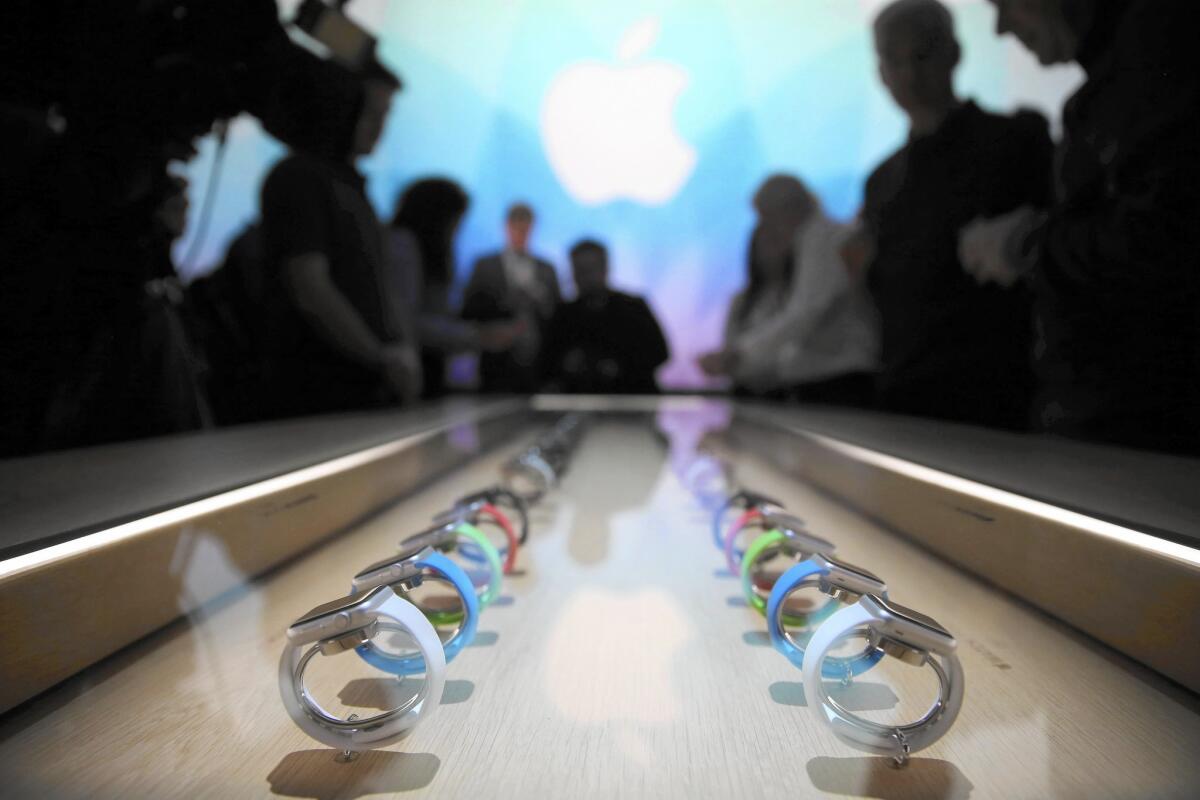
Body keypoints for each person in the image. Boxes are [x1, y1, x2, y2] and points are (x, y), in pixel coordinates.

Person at [961, 0, 1200, 454]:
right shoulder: (1129, 68)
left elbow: (1161, 239)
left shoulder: (1159, 50)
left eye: (1004, 5)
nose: (999, 28)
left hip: (1143, 440)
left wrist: (1025, 246)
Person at [861, 0, 1054, 429]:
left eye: (922, 55)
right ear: (881, 73)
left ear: (953, 54)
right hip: (904, 401)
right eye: (895, 60)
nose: (910, 74)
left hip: (997, 401)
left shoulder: (1016, 143)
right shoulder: (881, 183)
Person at [257, 60, 420, 419]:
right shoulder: (299, 177)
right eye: (369, 112)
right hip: (317, 395)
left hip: (361, 390)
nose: (378, 127)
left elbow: (378, 283)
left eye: (385, 115)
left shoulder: (350, 186)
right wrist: (381, 357)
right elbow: (308, 284)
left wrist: (399, 351)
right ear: (339, 105)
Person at [698, 175, 879, 405]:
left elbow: (807, 309)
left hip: (838, 381)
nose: (768, 228)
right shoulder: (819, 239)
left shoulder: (823, 239)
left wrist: (741, 354)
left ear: (789, 208)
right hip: (828, 380)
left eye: (768, 218)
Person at [385, 178, 522, 397]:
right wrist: (477, 336)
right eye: (455, 222)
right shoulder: (403, 245)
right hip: (406, 372)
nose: (456, 230)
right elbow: (406, 321)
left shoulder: (412, 247)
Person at [544, 239, 669, 394]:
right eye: (579, 270)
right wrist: (565, 364)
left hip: (632, 399)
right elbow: (546, 363)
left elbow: (660, 352)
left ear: (605, 268)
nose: (584, 277)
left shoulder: (633, 308)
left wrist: (619, 366)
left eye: (590, 269)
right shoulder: (564, 314)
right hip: (579, 403)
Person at [462, 203, 561, 392]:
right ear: (507, 226)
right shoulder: (485, 265)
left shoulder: (547, 269)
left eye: (526, 228)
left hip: (537, 362)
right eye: (517, 227)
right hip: (495, 360)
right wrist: (505, 301)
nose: (521, 234)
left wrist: (541, 301)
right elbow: (468, 308)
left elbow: (558, 315)